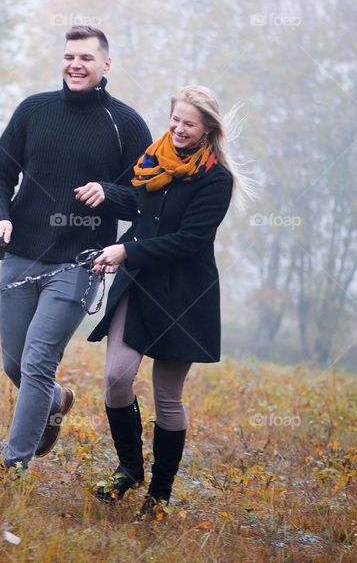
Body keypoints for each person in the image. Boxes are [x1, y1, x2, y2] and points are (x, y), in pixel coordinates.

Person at [74, 85, 255, 514]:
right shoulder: (154, 160)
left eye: (188, 124)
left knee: (167, 397)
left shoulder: (215, 179)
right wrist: (104, 190)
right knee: (117, 378)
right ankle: (129, 469)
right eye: (174, 119)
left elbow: (189, 241)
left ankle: (160, 495)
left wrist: (126, 251)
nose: (178, 129)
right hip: (137, 287)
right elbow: (139, 205)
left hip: (184, 296)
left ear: (208, 128)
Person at [0, 26, 152, 469]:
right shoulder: (33, 111)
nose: (75, 65)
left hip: (79, 265)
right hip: (21, 254)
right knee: (15, 364)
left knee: (38, 361)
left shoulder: (127, 125)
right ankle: (56, 401)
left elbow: (149, 201)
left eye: (86, 58)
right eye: (69, 56)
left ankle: (13, 465)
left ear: (106, 65)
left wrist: (109, 193)